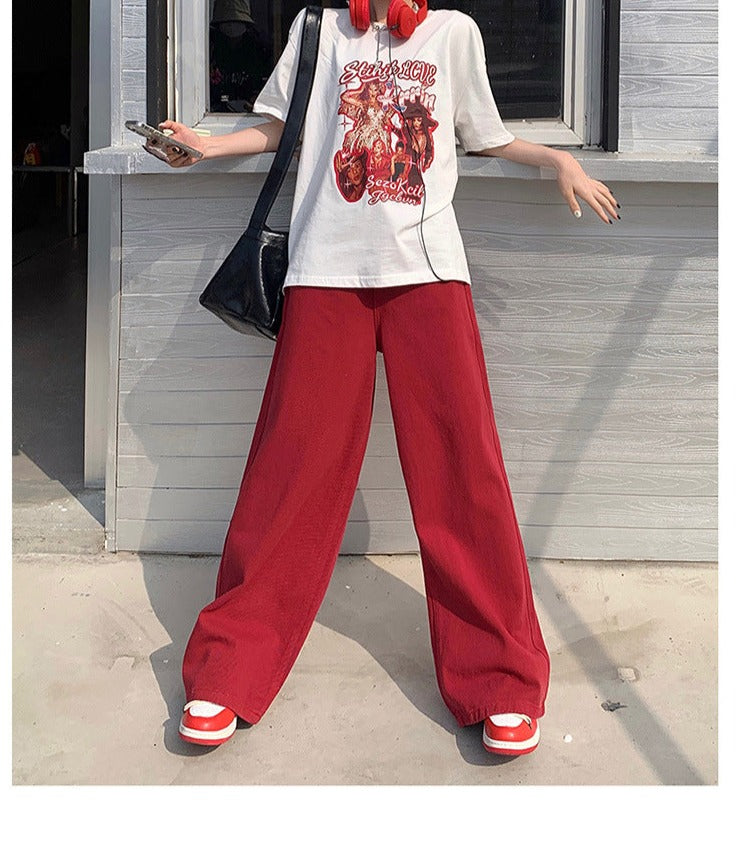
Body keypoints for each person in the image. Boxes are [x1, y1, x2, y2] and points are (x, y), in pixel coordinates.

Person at [154, 0, 620, 758]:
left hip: (429, 274)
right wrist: (206, 146)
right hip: (323, 271)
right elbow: (279, 126)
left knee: (463, 470)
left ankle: (501, 677)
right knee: (289, 468)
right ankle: (230, 664)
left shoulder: (454, 32)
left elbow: (486, 135)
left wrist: (559, 160)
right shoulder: (316, 30)